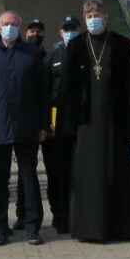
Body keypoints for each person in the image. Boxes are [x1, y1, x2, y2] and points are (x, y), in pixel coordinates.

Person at [56, 0, 130, 242]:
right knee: (88, 175)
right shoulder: (76, 45)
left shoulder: (119, 44)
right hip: (86, 122)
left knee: (117, 171)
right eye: (88, 15)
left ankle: (122, 227)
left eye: (96, 14)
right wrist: (64, 123)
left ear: (106, 17)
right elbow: (67, 86)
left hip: (114, 120)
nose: (92, 18)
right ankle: (89, 228)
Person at [0, 10, 51, 246]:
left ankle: (32, 227)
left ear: (20, 27)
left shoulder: (32, 55)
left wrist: (43, 124)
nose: (10, 28)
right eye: (6, 24)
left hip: (27, 127)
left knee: (29, 178)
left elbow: (42, 93)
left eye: (14, 24)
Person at [43, 16, 78, 233]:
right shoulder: (51, 58)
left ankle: (77, 213)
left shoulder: (86, 54)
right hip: (55, 120)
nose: (70, 32)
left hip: (79, 120)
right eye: (66, 29)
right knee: (56, 170)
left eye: (73, 29)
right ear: (60, 32)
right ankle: (59, 214)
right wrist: (46, 122)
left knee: (77, 170)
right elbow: (44, 91)